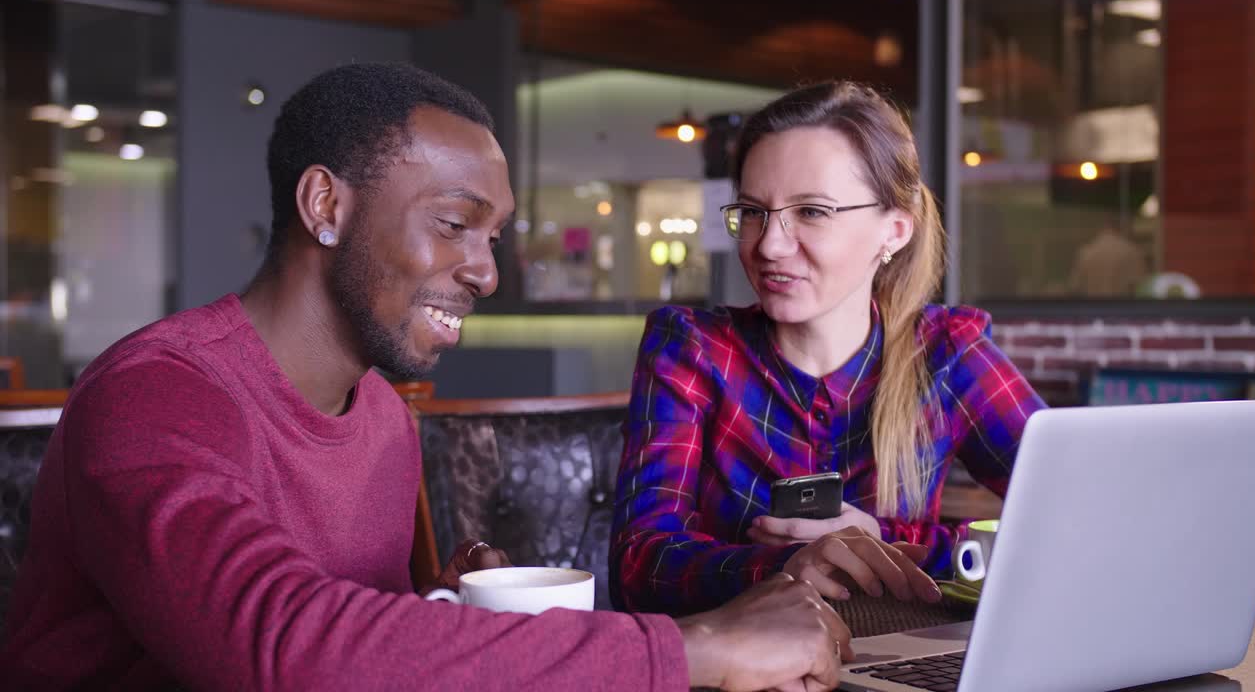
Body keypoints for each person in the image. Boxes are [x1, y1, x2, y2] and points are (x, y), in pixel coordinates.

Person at [0, 63, 853, 691]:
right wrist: (694, 647)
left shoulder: (381, 415)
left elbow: (356, 646)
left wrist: (441, 612)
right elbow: (281, 649)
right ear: (325, 207)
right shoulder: (154, 395)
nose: (485, 273)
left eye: (493, 238)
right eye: (454, 224)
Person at [610, 82, 1046, 617]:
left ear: (894, 230)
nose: (768, 244)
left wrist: (886, 542)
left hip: (901, 661)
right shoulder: (694, 349)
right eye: (752, 211)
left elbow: (1077, 517)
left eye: (812, 211)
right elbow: (637, 567)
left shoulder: (946, 353)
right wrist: (785, 567)